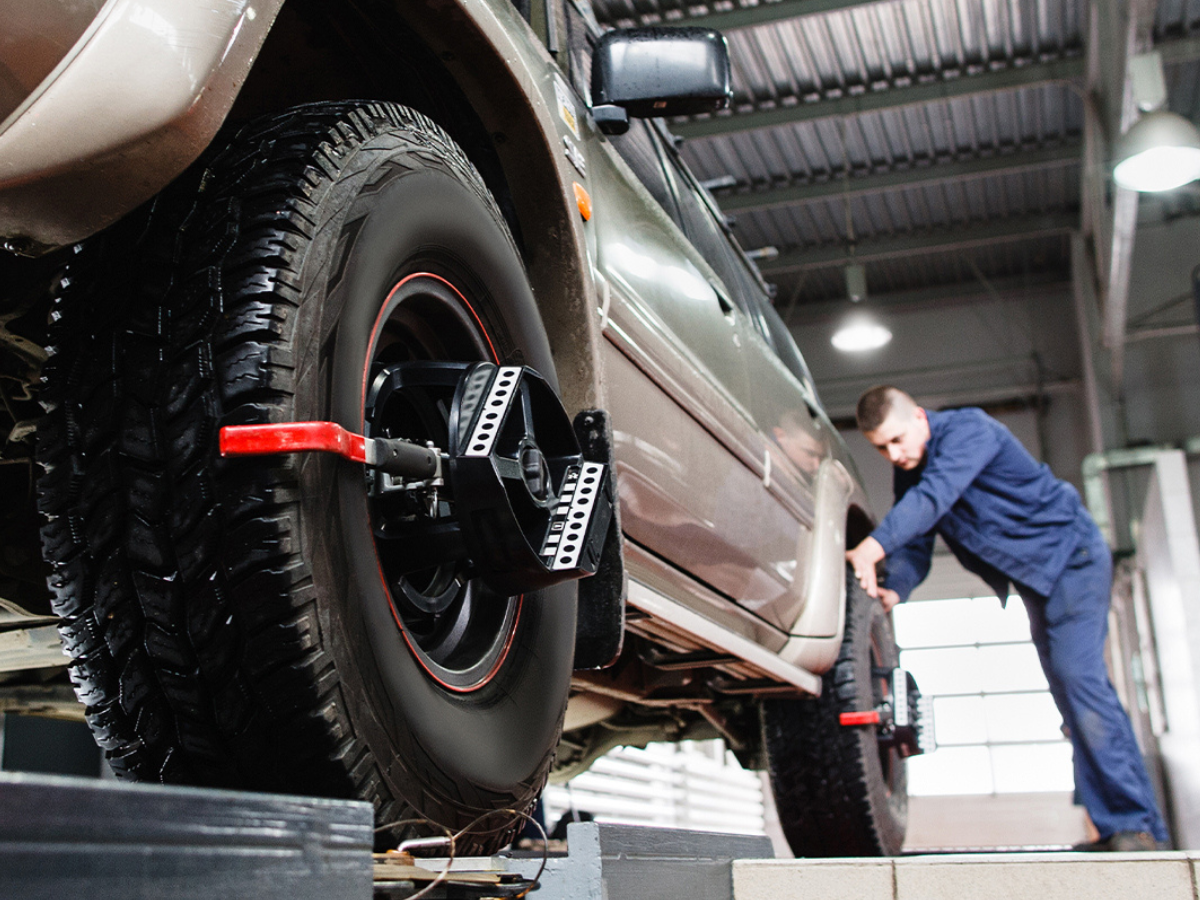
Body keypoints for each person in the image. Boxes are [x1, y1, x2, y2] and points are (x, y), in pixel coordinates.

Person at [844, 385, 1169, 852]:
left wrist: (871, 547)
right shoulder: (911, 471)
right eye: (881, 448)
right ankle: (1116, 826)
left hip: (1072, 561)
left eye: (897, 439)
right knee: (1071, 699)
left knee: (1082, 684)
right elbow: (915, 541)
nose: (893, 455)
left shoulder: (970, 432)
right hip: (1038, 580)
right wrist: (895, 588)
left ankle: (1137, 827)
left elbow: (934, 499)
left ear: (919, 417)